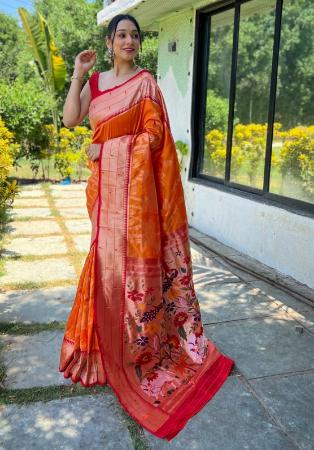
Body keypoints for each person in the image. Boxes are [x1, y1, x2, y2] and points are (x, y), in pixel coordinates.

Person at [59, 13, 234, 441]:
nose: (129, 40)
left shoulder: (146, 85)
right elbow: (70, 120)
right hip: (105, 196)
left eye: (135, 35)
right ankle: (102, 348)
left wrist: (108, 149)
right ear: (108, 41)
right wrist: (78, 75)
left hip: (136, 199)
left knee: (132, 272)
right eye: (121, 34)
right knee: (105, 266)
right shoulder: (97, 82)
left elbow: (154, 139)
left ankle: (138, 347)